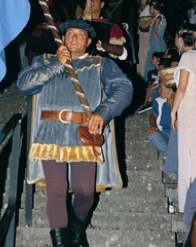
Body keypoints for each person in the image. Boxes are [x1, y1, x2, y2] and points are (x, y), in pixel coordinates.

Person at [17, 20, 133, 247]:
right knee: (57, 190)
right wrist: (57, 65)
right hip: (50, 132)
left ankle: (78, 230)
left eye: (80, 35)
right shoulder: (45, 61)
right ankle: (61, 243)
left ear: (89, 42)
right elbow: (25, 85)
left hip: (83, 132)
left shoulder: (100, 64)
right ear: (62, 38)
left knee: (85, 192)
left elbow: (124, 89)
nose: (74, 37)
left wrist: (103, 112)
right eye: (69, 33)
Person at [171, 24, 196, 212]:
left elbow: (182, 87)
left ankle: (191, 202)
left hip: (190, 107)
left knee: (189, 153)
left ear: (180, 40)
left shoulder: (187, 57)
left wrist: (173, 111)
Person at [144, 0, 167, 81]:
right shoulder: (157, 17)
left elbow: (158, 20)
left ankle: (154, 82)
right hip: (155, 43)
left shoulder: (159, 17)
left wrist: (154, 32)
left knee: (155, 62)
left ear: (152, 8)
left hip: (157, 43)